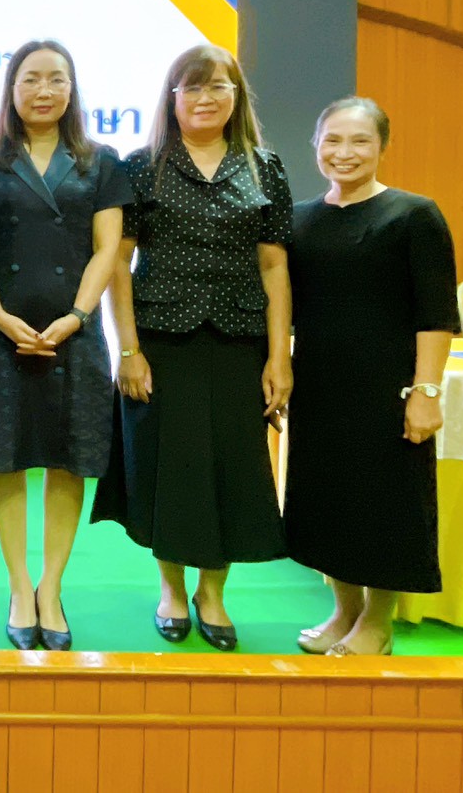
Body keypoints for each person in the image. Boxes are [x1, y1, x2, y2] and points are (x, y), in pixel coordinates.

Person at [91, 44, 293, 651]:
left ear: (236, 97)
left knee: (232, 468)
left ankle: (213, 593)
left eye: (218, 87)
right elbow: (118, 265)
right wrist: (128, 350)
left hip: (239, 342)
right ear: (173, 98)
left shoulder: (264, 167)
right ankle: (173, 590)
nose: (206, 99)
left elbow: (275, 266)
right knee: (170, 468)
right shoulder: (141, 166)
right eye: (193, 87)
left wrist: (280, 356)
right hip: (162, 341)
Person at [0, 41, 131, 651]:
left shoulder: (100, 161)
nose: (44, 90)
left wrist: (77, 317)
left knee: (68, 458)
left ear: (72, 88)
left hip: (75, 337)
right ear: (11, 89)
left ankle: (52, 587)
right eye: (31, 79)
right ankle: (19, 587)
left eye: (56, 79)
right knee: (5, 457)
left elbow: (107, 249)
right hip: (4, 334)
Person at [285, 97, 459, 657]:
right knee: (329, 503)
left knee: (386, 506)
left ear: (383, 146)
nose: (345, 152)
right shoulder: (299, 219)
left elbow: (436, 315)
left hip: (389, 390)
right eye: (333, 140)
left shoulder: (414, 215)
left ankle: (378, 623)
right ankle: (344, 611)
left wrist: (426, 392)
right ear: (316, 145)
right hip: (319, 388)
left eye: (360, 140)